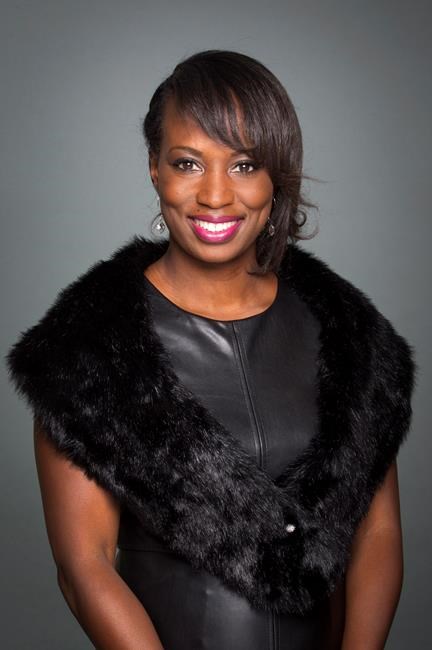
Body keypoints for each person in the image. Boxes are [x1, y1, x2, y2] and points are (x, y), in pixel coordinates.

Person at [6, 50, 415, 650]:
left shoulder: (352, 339)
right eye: (188, 163)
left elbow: (378, 535)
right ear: (155, 168)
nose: (216, 195)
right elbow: (83, 566)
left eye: (245, 164)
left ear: (276, 176)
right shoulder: (84, 356)